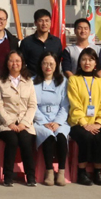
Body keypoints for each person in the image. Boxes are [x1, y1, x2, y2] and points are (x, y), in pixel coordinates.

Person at [67, 48, 101, 186]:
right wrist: (84, 123)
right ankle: (81, 171)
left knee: (99, 136)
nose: (87, 63)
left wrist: (98, 122)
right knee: (86, 136)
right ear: (79, 62)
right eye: (84, 59)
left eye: (91, 60)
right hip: (78, 123)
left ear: (96, 63)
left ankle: (98, 172)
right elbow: (74, 104)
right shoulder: (73, 80)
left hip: (97, 122)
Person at [0, 50, 38, 186]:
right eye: (11, 61)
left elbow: (32, 105)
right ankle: (8, 176)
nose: (15, 64)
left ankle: (31, 176)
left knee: (25, 140)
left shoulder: (28, 81)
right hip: (5, 123)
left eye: (18, 61)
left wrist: (24, 123)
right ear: (7, 63)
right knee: (12, 140)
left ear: (22, 63)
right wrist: (9, 123)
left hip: (25, 123)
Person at [33, 52, 70, 186]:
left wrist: (58, 122)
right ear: (40, 65)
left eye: (51, 64)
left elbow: (65, 105)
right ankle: (49, 171)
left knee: (61, 137)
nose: (48, 66)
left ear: (56, 65)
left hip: (59, 120)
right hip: (40, 120)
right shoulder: (32, 82)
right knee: (47, 137)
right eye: (45, 63)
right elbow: (32, 105)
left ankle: (61, 172)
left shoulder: (63, 82)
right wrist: (44, 122)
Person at [20, 9, 63, 77]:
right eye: (41, 21)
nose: (44, 24)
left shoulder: (56, 42)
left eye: (47, 20)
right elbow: (22, 63)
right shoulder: (26, 42)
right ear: (35, 23)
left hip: (51, 79)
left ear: (50, 22)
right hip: (32, 80)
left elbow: (58, 62)